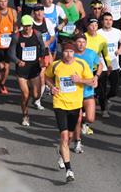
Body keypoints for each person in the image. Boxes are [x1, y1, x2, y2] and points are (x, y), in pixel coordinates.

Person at [44, 42, 96, 182]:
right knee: (64, 136)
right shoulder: (55, 65)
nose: (68, 54)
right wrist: (51, 87)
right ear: (62, 53)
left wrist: (80, 80)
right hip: (60, 104)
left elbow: (93, 82)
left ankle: (62, 152)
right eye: (66, 52)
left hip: (75, 105)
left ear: (74, 53)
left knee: (71, 136)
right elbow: (46, 77)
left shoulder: (81, 64)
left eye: (71, 52)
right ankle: (69, 170)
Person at [9, 15, 46, 126]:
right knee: (25, 95)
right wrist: (17, 61)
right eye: (25, 26)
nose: (27, 28)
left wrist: (41, 58)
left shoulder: (37, 35)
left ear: (32, 25)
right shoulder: (16, 36)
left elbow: (43, 48)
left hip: (34, 68)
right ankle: (25, 115)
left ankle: (32, 92)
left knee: (36, 95)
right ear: (22, 26)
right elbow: (11, 53)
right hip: (22, 69)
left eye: (29, 26)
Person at [72, 33, 104, 153]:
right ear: (75, 43)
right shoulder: (71, 55)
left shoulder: (91, 53)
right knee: (78, 119)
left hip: (88, 90)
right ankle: (78, 142)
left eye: (83, 42)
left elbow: (100, 65)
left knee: (90, 118)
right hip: (75, 92)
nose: (81, 44)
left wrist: (96, 77)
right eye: (79, 42)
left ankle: (85, 124)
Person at [97, 12, 121, 118]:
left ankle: (107, 98)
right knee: (102, 89)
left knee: (115, 89)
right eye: (106, 19)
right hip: (102, 65)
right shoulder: (98, 33)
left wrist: (120, 50)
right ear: (102, 21)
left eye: (110, 19)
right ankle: (104, 109)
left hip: (114, 64)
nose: (108, 22)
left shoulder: (117, 32)